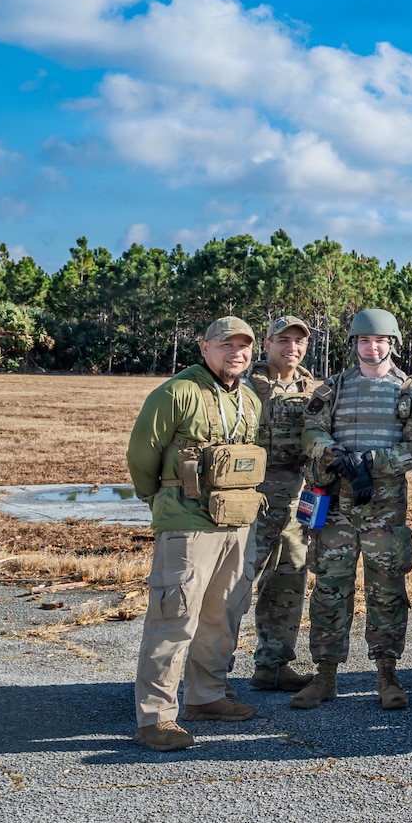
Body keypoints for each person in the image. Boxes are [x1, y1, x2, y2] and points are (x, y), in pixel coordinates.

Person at [125, 316, 265, 751]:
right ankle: (155, 718)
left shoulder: (250, 399)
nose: (235, 353)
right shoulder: (177, 393)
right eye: (226, 345)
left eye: (243, 346)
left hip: (236, 522)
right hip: (187, 522)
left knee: (223, 613)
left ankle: (206, 697)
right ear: (204, 347)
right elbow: (141, 455)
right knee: (174, 617)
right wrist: (161, 503)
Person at [290, 309, 412, 713]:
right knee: (329, 590)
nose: (372, 347)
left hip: (383, 507)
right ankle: (325, 675)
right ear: (354, 344)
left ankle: (387, 674)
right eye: (364, 341)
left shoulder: (410, 393)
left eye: (380, 341)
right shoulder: (334, 388)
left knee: (387, 590)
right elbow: (311, 430)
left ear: (392, 343)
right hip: (336, 505)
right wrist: (334, 455)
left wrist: (370, 462)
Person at [245, 315, 316, 692]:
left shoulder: (311, 388)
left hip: (294, 502)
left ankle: (273, 665)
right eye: (283, 340)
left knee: (287, 584)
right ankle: (209, 674)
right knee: (234, 587)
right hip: (250, 501)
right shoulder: (246, 386)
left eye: (299, 341)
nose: (292, 347)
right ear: (267, 343)